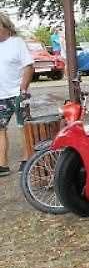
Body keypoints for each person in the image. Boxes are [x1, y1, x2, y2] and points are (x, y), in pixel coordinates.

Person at [0, 12, 34, 177]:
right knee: (0, 129)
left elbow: (29, 66)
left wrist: (23, 88)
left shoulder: (17, 42)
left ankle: (27, 159)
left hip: (17, 93)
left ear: (6, 27)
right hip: (1, 96)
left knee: (23, 127)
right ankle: (2, 165)